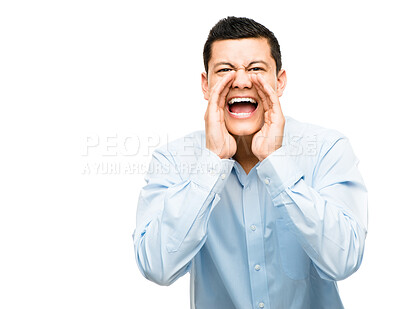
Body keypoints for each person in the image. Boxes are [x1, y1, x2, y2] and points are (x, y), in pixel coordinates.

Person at [133, 16, 368, 309]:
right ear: (206, 85)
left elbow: (343, 261)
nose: (242, 81)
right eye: (225, 70)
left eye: (256, 69)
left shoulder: (327, 149)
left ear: (279, 81)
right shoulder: (173, 160)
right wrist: (211, 163)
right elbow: (157, 267)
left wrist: (276, 161)